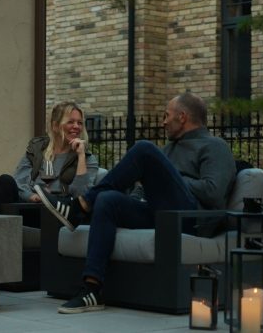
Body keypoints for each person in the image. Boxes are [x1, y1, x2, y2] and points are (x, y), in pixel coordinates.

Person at [34, 92, 236, 314]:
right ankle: (92, 289)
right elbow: (145, 188)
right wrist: (135, 199)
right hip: (159, 213)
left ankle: (80, 206)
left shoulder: (214, 146)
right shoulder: (169, 149)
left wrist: (171, 178)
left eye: (166, 116)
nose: (164, 121)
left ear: (182, 117)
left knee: (144, 148)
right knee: (108, 199)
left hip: (190, 219)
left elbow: (214, 192)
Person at [0, 101, 99, 213]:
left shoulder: (87, 158)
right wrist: (30, 196)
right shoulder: (37, 149)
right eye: (70, 122)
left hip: (55, 211)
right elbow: (19, 180)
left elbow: (81, 196)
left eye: (80, 123)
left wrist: (81, 155)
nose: (76, 126)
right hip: (29, 205)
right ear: (55, 126)